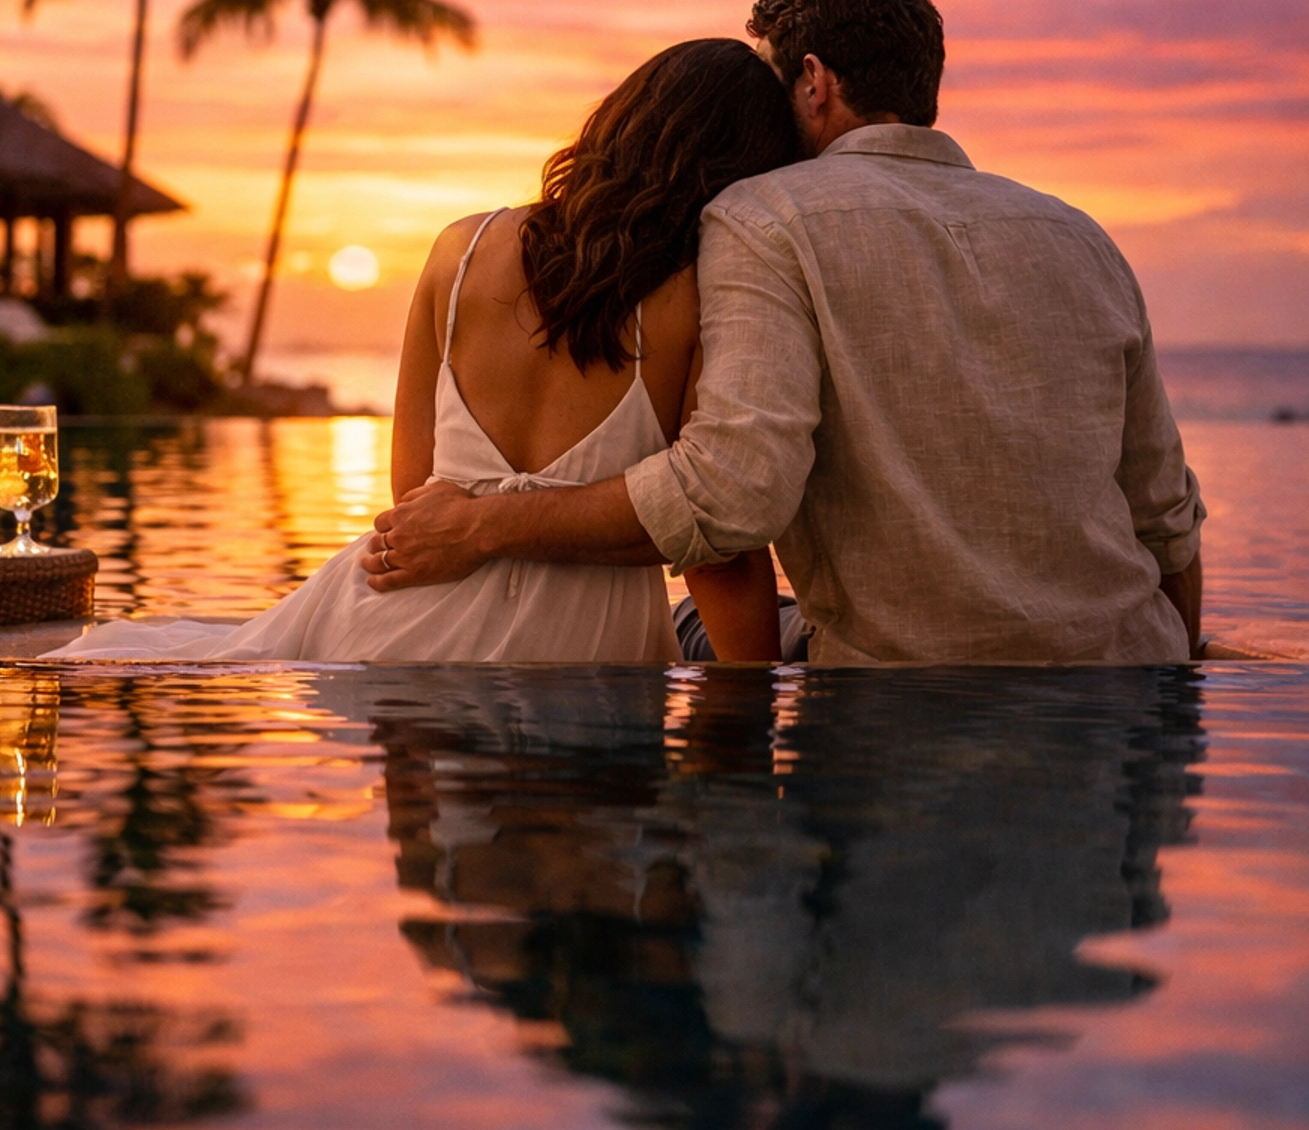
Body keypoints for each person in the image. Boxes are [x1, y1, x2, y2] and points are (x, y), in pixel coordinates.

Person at [364, 0, 1207, 667]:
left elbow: (729, 500)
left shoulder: (763, 219)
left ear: (813, 80)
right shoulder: (1080, 233)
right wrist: (1172, 692)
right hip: (1129, 664)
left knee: (692, 636)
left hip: (898, 684)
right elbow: (1165, 520)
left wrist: (483, 525)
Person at [48, 38, 799, 665]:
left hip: (392, 621)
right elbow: (715, 546)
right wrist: (753, 710)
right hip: (580, 652)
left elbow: (414, 495)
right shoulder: (695, 299)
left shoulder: (459, 250)